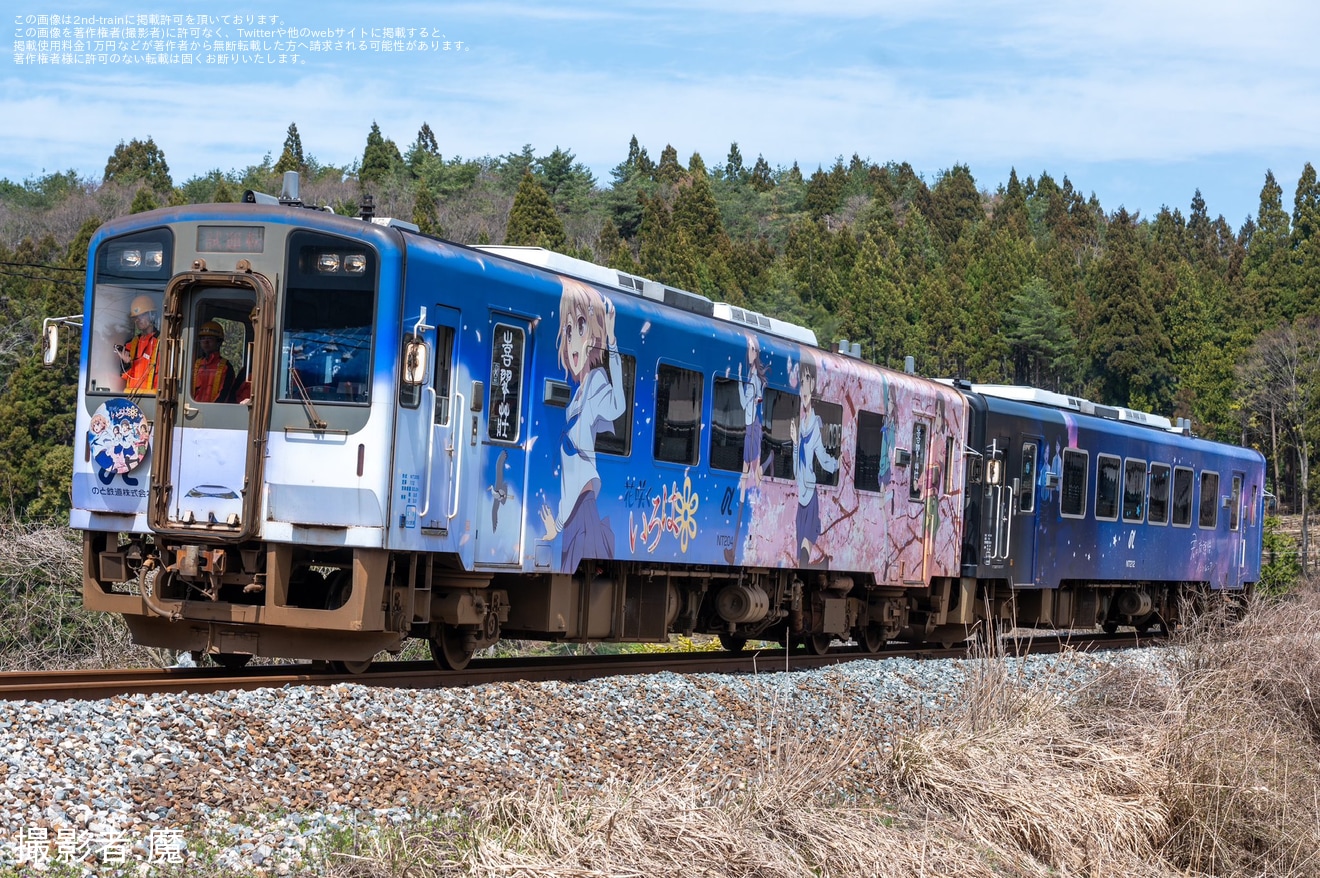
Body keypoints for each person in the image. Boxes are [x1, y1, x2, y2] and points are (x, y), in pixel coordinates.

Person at [539, 278, 626, 573]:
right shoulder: (576, 397)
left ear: (594, 337)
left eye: (580, 327)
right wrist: (559, 524)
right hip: (576, 510)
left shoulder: (597, 383)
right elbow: (570, 477)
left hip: (583, 508)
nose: (573, 340)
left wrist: (612, 344)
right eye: (567, 330)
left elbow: (619, 406)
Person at [117, 295, 159, 393]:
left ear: (152, 315)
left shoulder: (162, 343)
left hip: (153, 401)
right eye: (136, 317)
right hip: (131, 400)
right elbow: (125, 377)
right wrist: (126, 364)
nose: (138, 319)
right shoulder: (130, 345)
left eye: (142, 315)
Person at [191, 320, 236, 403]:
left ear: (219, 342)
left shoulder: (226, 368)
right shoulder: (195, 365)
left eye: (210, 339)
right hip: (194, 410)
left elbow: (224, 395)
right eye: (203, 339)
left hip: (214, 412)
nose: (205, 342)